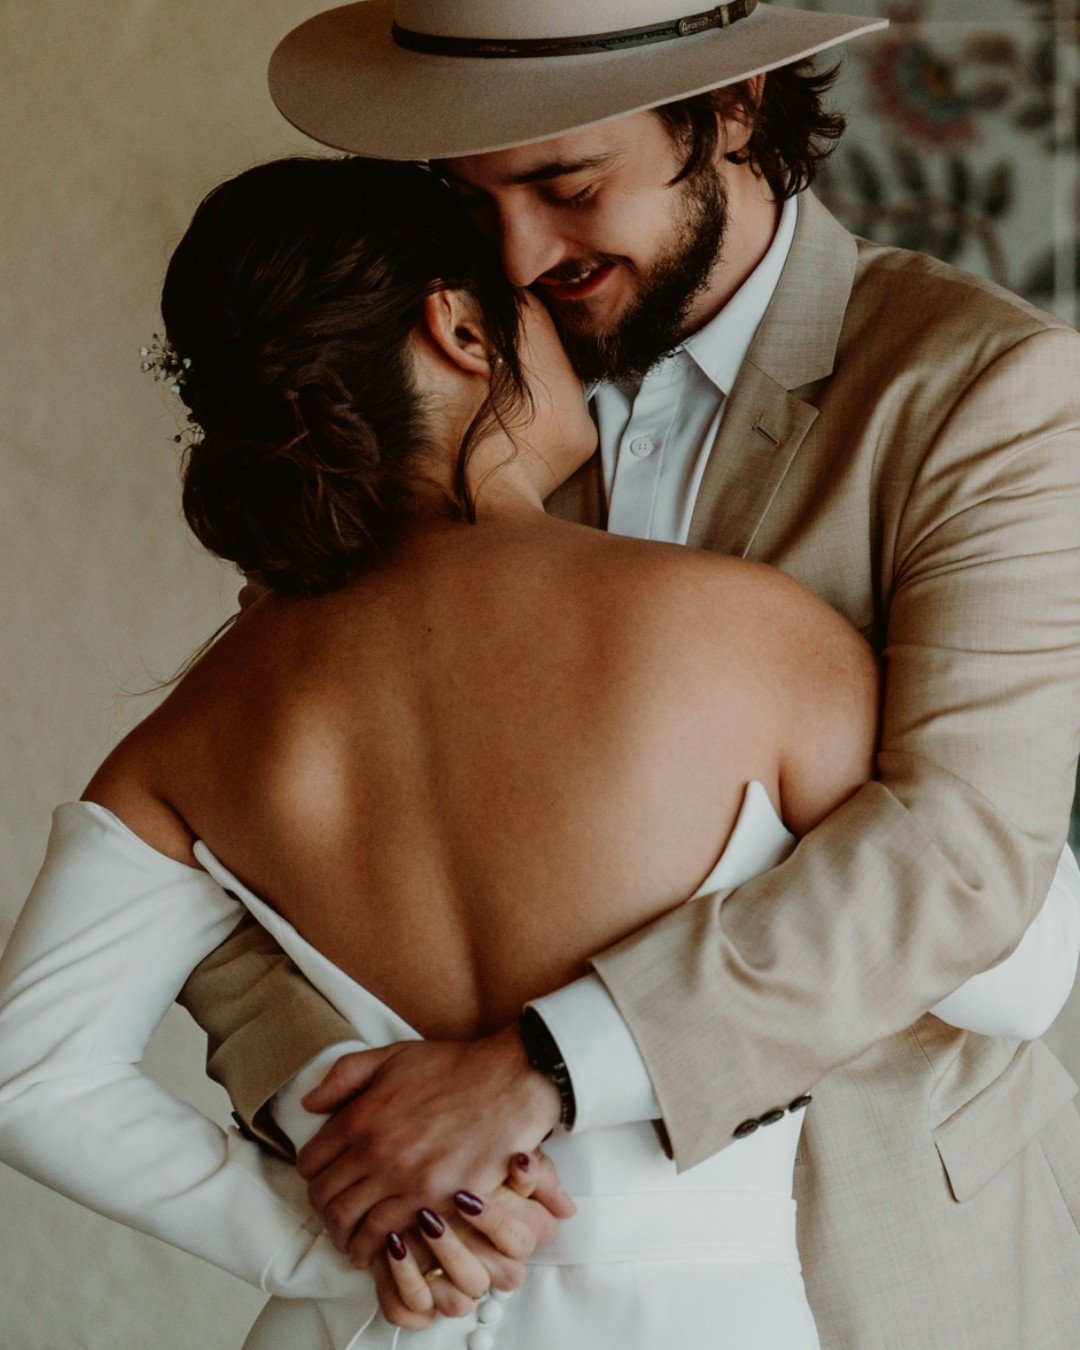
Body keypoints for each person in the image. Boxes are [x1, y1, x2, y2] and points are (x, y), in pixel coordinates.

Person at [1, 155, 1078, 1350]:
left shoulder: (198, 723)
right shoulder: (748, 633)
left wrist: (331, 1246)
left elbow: (29, 1079)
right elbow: (1012, 966)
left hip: (397, 1313)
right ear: (462, 329)